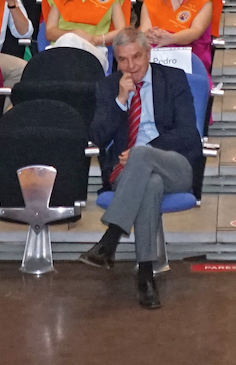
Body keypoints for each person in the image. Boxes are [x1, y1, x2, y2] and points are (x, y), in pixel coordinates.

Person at [76, 29, 203, 310]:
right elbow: (97, 136)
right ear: (116, 60)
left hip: (175, 164)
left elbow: (188, 133)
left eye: (136, 57)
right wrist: (120, 101)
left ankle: (110, 239)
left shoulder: (172, 79)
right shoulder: (109, 87)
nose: (131, 66)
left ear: (148, 53)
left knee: (144, 155)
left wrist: (142, 152)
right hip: (128, 173)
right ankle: (145, 277)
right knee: (151, 184)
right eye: (123, 60)